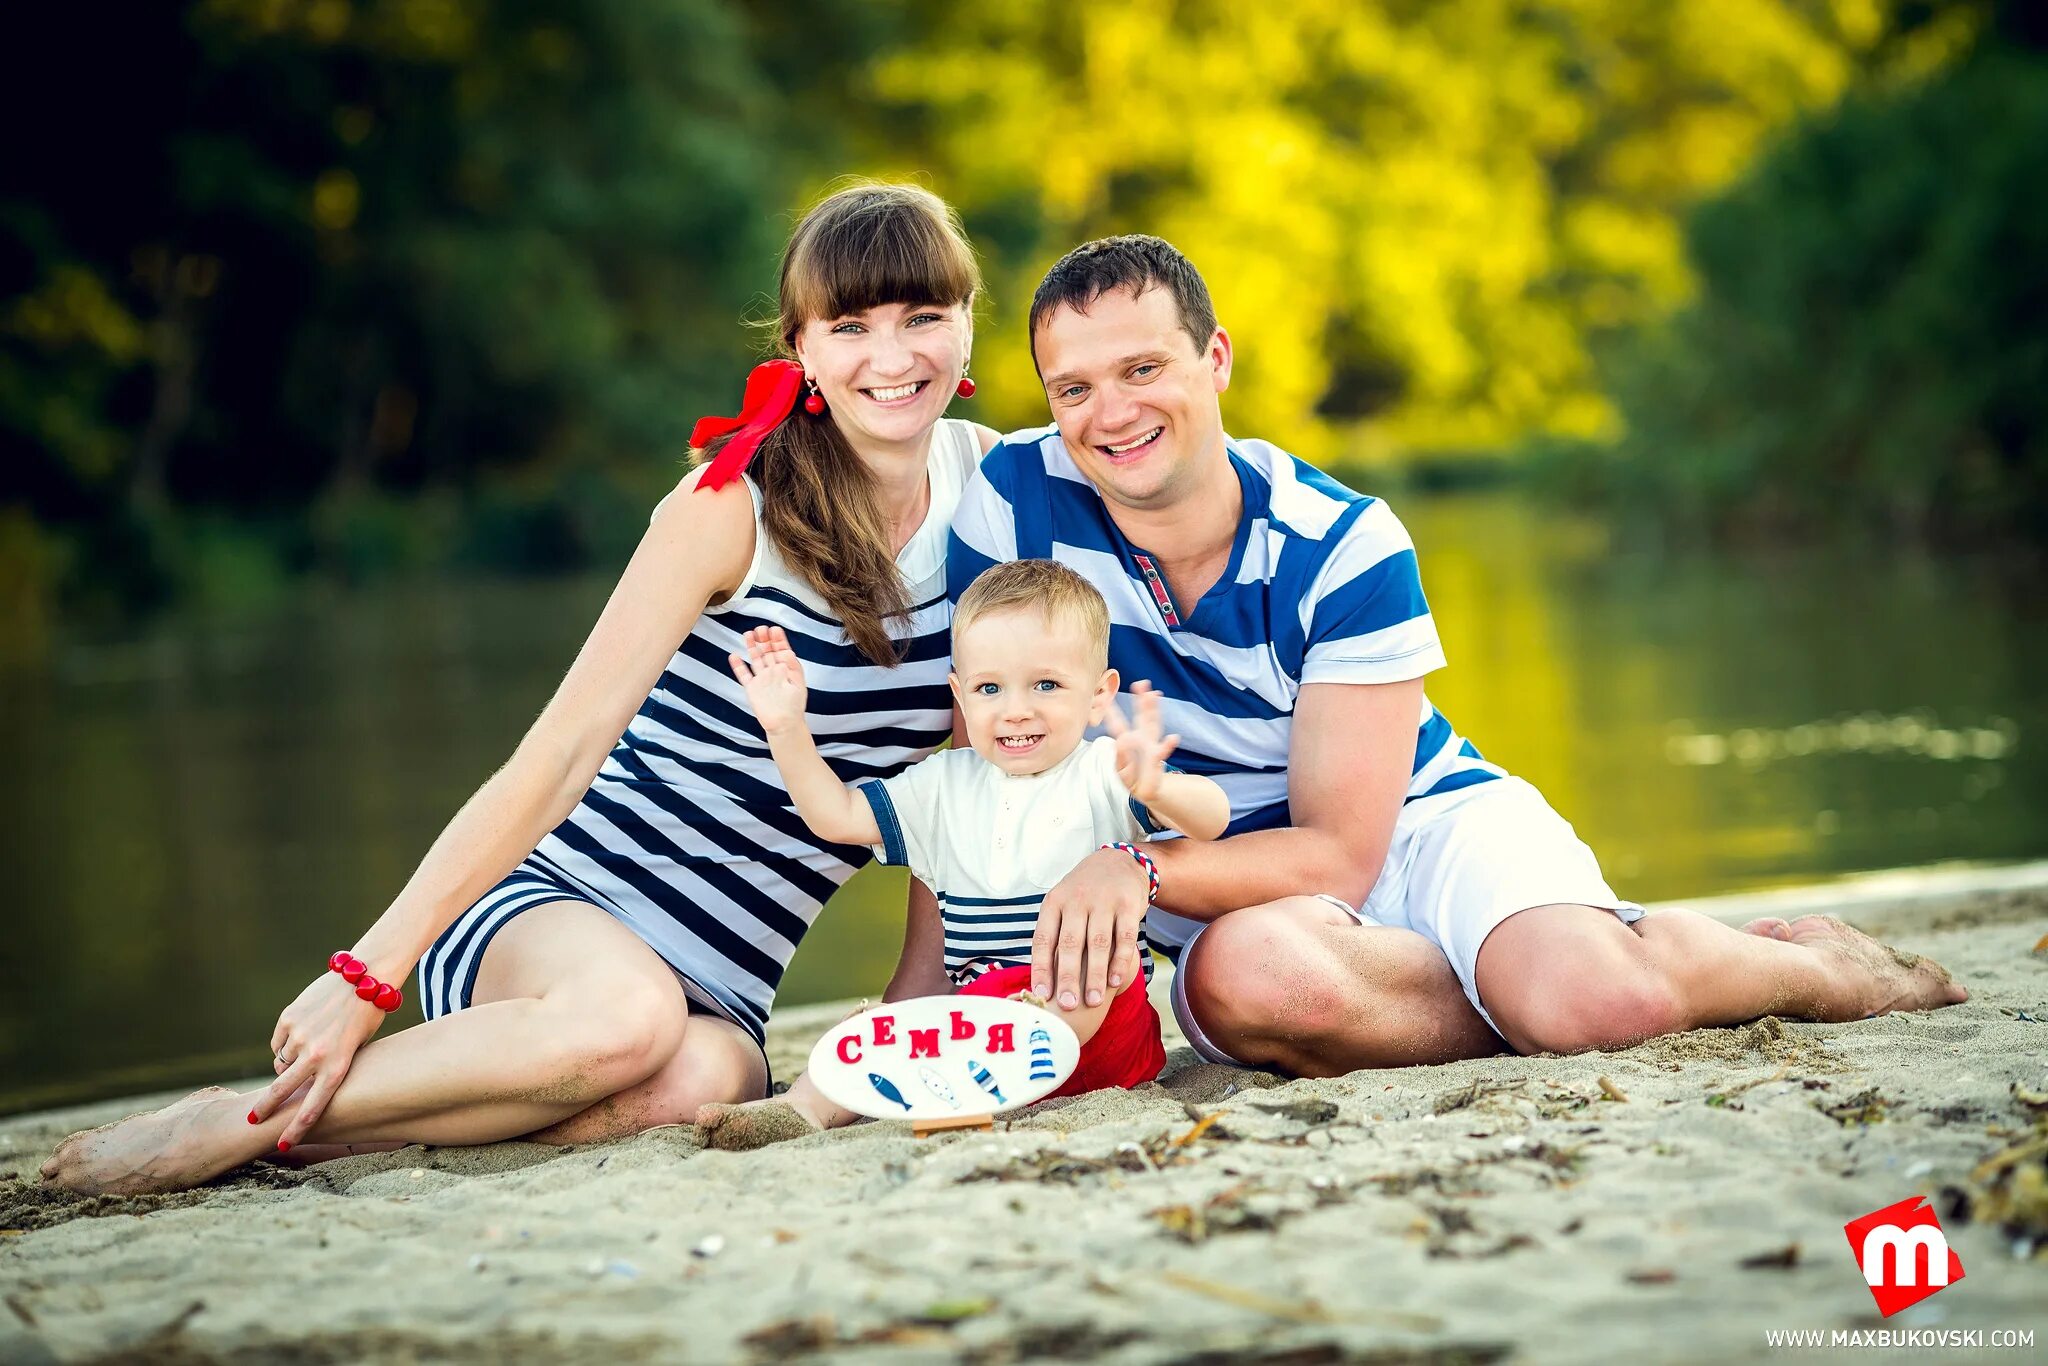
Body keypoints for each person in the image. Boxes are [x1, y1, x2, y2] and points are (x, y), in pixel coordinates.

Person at [41, 183, 1003, 1195]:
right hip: (558, 909)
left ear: (966, 321)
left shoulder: (990, 497)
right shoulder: (727, 508)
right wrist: (364, 978)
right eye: (850, 325)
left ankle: (301, 1135)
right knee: (624, 1022)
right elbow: (558, 755)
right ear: (802, 345)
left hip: (724, 979)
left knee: (688, 1087)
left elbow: (966, 781)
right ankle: (229, 1117)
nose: (891, 358)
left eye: (922, 318)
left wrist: (911, 1006)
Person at [948, 234, 1967, 1078]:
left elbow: (1343, 849)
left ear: (1214, 358)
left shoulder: (1342, 543)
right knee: (1242, 984)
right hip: (1248, 908)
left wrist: (1134, 863)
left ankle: (1822, 967)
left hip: (1414, 826)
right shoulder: (1012, 502)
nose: (1108, 414)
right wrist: (930, 995)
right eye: (1069, 388)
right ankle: (1515, 974)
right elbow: (970, 765)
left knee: (1595, 1003)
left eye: (1140, 369)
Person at [697, 558, 1230, 1145]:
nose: (1016, 708)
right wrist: (786, 729)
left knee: (1064, 981)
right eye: (989, 688)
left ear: (1100, 695)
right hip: (981, 1020)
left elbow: (1212, 820)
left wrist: (1159, 788)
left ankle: (988, 1044)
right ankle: (799, 1112)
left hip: (1098, 1024)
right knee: (878, 1030)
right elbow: (835, 816)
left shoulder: (1103, 771)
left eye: (1046, 685)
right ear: (960, 693)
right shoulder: (940, 787)